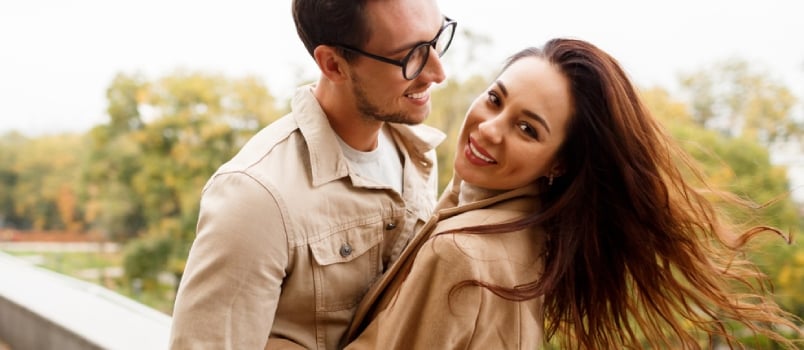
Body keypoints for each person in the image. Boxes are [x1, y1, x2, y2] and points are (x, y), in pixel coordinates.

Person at [341, 38, 802, 349]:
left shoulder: (462, 252)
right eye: (496, 99)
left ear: (560, 162)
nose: (489, 128)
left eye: (527, 128)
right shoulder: (526, 241)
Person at [168, 0, 456, 348]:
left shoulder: (417, 154)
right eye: (411, 57)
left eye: (438, 39)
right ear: (333, 65)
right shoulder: (257, 196)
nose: (438, 73)